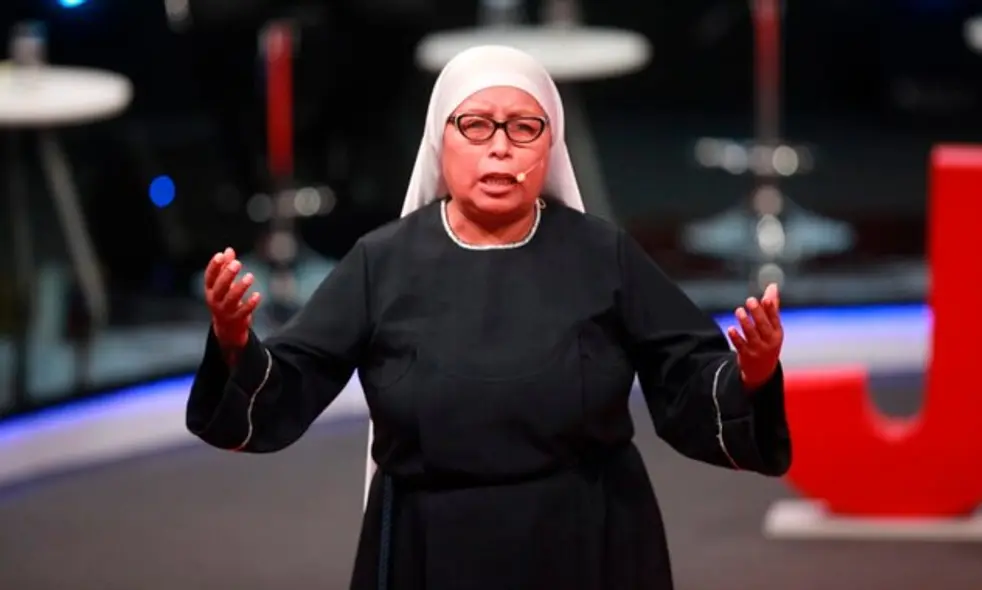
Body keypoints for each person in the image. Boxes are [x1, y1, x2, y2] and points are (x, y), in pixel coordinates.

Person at [186, 45, 791, 590]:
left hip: (587, 540)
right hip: (430, 546)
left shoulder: (602, 254)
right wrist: (235, 342)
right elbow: (290, 383)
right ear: (438, 140)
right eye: (476, 126)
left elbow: (687, 376)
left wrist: (751, 374)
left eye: (524, 128)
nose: (500, 146)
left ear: (549, 145)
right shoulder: (383, 262)